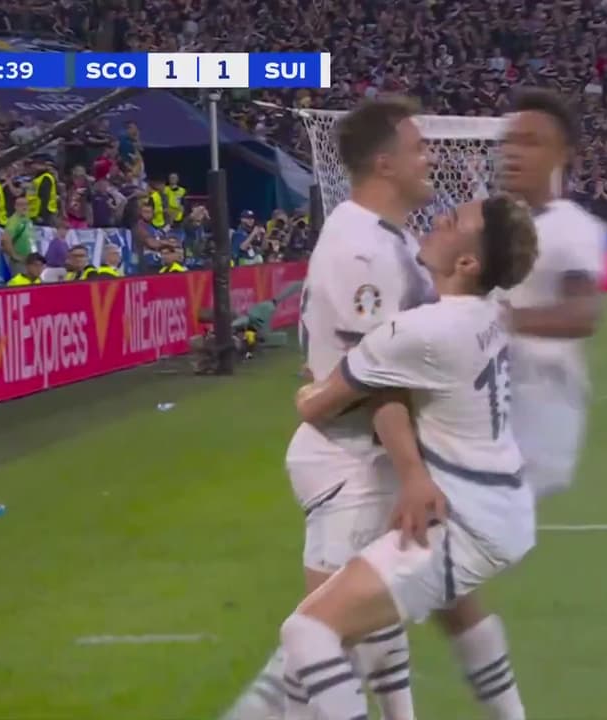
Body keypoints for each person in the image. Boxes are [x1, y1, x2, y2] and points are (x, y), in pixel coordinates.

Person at [279, 195, 539, 720]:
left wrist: (315, 383)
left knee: (309, 633)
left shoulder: (422, 332)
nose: (440, 217)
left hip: (466, 523)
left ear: (467, 262)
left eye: (455, 220)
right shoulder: (489, 312)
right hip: (498, 506)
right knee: (411, 610)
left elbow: (316, 405)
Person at [223, 97, 436, 720]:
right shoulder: (361, 248)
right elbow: (376, 376)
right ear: (384, 163)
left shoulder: (393, 237)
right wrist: (413, 472)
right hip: (352, 462)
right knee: (323, 645)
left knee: (373, 621)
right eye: (418, 148)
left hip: (369, 455)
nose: (429, 158)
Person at [431, 89, 607, 720]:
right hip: (479, 421)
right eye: (510, 140)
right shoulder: (489, 224)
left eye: (532, 141)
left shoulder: (574, 228)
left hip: (535, 427)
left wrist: (499, 320)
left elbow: (582, 313)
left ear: (566, 154)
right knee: (430, 575)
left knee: (408, 562)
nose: (514, 152)